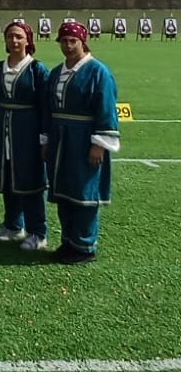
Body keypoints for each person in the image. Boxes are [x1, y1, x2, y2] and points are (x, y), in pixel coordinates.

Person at [43, 22, 120, 264]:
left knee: (84, 192)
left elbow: (106, 109)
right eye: (63, 41)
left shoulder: (98, 72)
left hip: (84, 139)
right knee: (64, 191)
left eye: (72, 41)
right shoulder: (57, 71)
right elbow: (48, 109)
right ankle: (69, 242)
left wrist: (99, 143)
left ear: (82, 42)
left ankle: (85, 247)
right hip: (60, 138)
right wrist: (45, 139)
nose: (67, 45)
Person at [0, 22, 50, 250]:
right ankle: (13, 225)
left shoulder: (37, 70)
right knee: (8, 178)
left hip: (28, 132)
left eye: (19, 37)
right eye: (10, 36)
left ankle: (38, 233)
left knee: (31, 181)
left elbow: (45, 106)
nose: (14, 41)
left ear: (28, 40)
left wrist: (44, 137)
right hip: (3, 130)